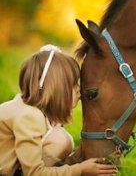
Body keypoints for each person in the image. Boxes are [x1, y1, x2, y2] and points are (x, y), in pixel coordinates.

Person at [0, 45, 117, 176]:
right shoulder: (29, 116)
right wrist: (81, 170)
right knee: (60, 140)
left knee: (60, 139)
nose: (79, 89)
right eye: (72, 84)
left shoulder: (31, 109)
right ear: (56, 88)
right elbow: (33, 173)